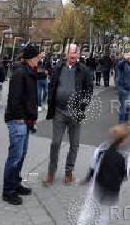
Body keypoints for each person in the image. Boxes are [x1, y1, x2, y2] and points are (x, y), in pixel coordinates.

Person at [43, 44, 93, 186]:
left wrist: (83, 105)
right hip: (59, 111)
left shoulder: (83, 70)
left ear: (78, 55)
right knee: (55, 143)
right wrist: (50, 101)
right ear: (66, 55)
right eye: (71, 54)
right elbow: (52, 85)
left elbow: (89, 89)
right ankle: (51, 173)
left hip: (75, 112)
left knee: (74, 145)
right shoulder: (58, 68)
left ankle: (68, 172)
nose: (73, 56)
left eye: (75, 54)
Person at [2, 44, 39, 205]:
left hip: (25, 119)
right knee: (15, 157)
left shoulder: (29, 72)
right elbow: (14, 98)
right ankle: (8, 191)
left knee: (21, 155)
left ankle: (16, 184)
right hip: (18, 120)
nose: (39, 60)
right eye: (37, 57)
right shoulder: (20, 73)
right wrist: (18, 118)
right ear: (31, 59)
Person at [78, 124, 130, 225]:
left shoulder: (103, 147)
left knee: (88, 209)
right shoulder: (128, 152)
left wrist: (87, 178)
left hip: (97, 184)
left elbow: (93, 164)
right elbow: (126, 174)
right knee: (105, 213)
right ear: (124, 139)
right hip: (112, 189)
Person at [117, 51, 130, 124]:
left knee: (128, 108)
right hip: (123, 89)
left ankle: (125, 124)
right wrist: (125, 59)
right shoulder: (123, 64)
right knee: (123, 108)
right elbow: (120, 66)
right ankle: (121, 124)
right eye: (129, 56)